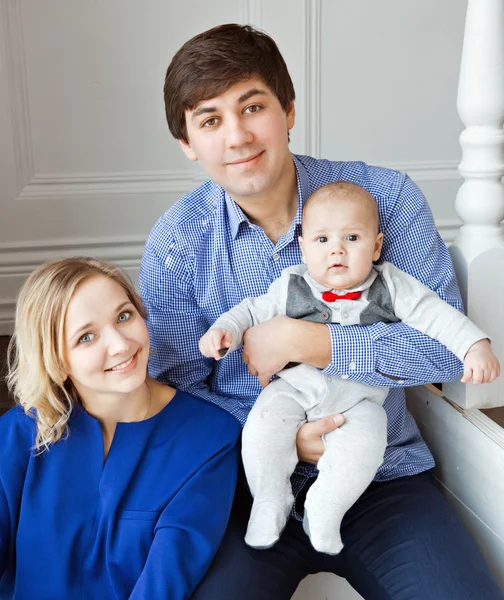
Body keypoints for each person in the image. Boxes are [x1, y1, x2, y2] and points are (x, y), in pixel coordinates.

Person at [140, 23, 504, 600]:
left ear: (287, 109)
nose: (237, 136)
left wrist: (308, 343)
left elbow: (443, 347)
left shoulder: (383, 198)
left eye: (252, 107)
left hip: (383, 476)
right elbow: (173, 390)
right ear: (188, 142)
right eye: (210, 120)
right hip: (246, 487)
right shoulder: (178, 245)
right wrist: (278, 436)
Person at [199, 180, 500, 555]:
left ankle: (326, 507)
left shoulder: (390, 286)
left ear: (376, 246)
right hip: (294, 390)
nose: (336, 250)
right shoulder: (292, 284)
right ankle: (270, 500)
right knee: (263, 426)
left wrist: (475, 345)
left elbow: (436, 316)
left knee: (366, 445)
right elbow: (250, 310)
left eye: (352, 238)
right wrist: (225, 330)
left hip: (359, 403)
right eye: (322, 240)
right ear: (304, 249)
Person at [1, 257, 240, 600]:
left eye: (124, 316)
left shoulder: (210, 439)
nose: (120, 345)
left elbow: (166, 582)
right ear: (55, 360)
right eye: (86, 337)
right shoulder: (20, 433)